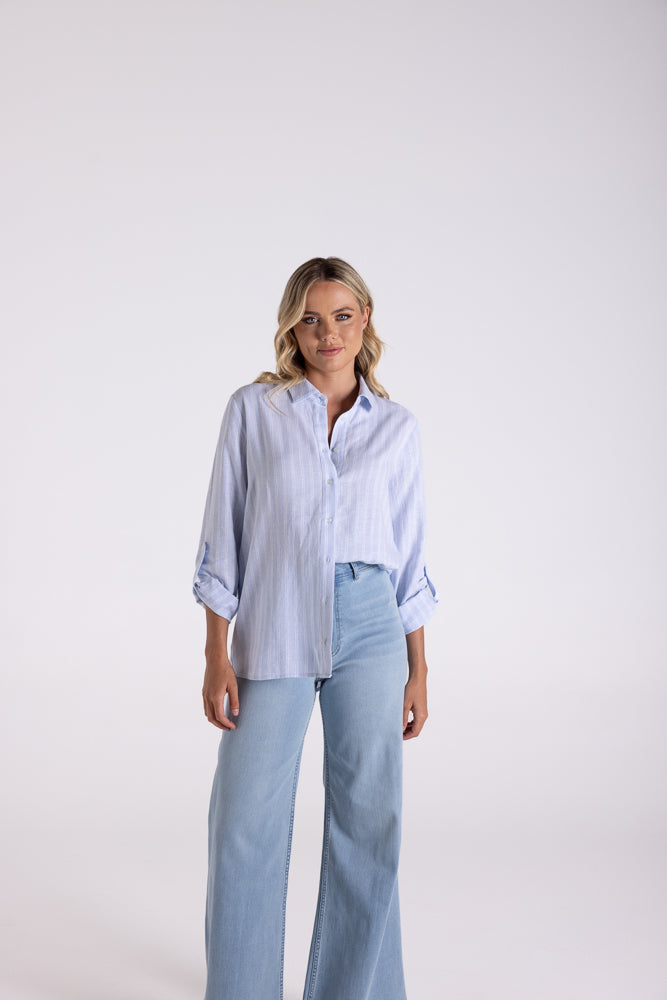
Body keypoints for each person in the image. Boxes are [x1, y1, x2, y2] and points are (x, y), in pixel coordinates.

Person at [192, 256, 438, 1000]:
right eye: (309, 318)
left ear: (365, 321)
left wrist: (418, 667)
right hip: (276, 617)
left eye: (341, 316)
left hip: (371, 621)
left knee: (369, 820)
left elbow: (408, 556)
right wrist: (215, 651)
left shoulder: (396, 428)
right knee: (244, 818)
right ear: (291, 329)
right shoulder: (254, 411)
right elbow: (224, 534)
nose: (327, 333)